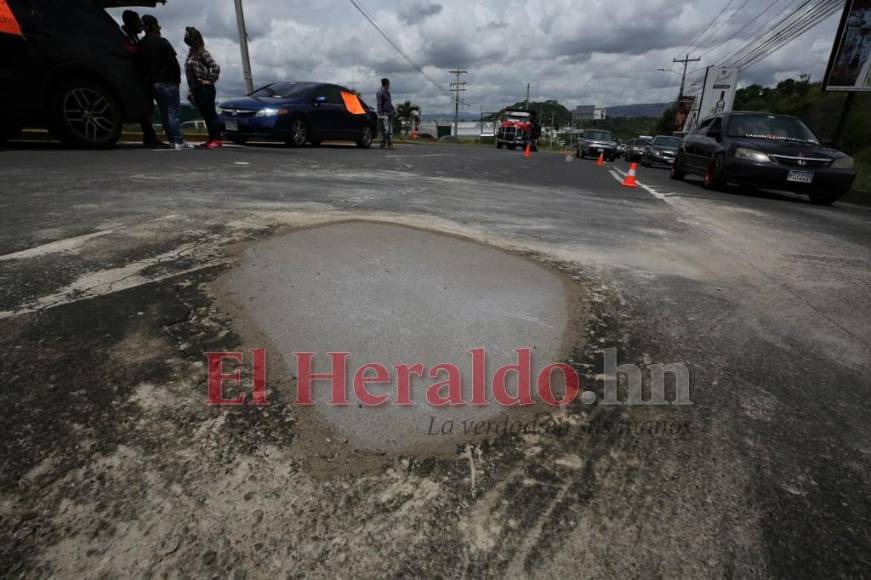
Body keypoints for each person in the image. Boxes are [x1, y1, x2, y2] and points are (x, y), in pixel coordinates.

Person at [136, 15, 192, 150]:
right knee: (173, 112)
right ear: (155, 26)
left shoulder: (141, 45)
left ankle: (171, 140)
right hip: (168, 81)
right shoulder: (162, 41)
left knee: (164, 112)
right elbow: (173, 62)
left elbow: (139, 65)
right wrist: (177, 80)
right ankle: (178, 141)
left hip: (152, 83)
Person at [120, 10, 162, 147]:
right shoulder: (121, 36)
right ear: (130, 22)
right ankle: (149, 136)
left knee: (146, 108)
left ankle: (149, 136)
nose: (141, 25)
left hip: (141, 78)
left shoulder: (134, 37)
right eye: (138, 22)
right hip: (128, 78)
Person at [183, 26, 222, 149]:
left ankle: (216, 139)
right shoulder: (192, 53)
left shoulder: (202, 52)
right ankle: (211, 138)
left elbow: (215, 66)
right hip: (197, 89)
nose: (185, 37)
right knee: (206, 115)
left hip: (205, 89)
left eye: (187, 35)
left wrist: (209, 80)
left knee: (210, 114)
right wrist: (191, 91)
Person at [376, 78, 395, 149]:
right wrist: (380, 113)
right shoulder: (380, 92)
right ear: (386, 84)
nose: (389, 85)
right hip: (384, 113)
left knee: (390, 128)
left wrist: (393, 109)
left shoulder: (388, 92)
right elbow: (379, 104)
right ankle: (385, 143)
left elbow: (389, 102)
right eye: (389, 84)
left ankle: (388, 143)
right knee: (386, 128)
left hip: (390, 112)